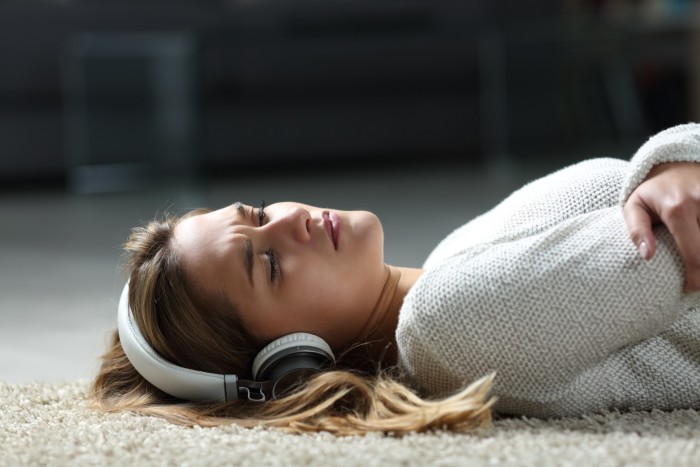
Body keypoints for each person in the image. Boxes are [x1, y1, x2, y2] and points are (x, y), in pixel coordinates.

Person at [93, 123, 700, 435]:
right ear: (291, 362)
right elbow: (681, 243)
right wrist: (676, 159)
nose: (291, 222)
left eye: (257, 215)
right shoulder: (449, 324)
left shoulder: (451, 259)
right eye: (267, 265)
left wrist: (673, 163)